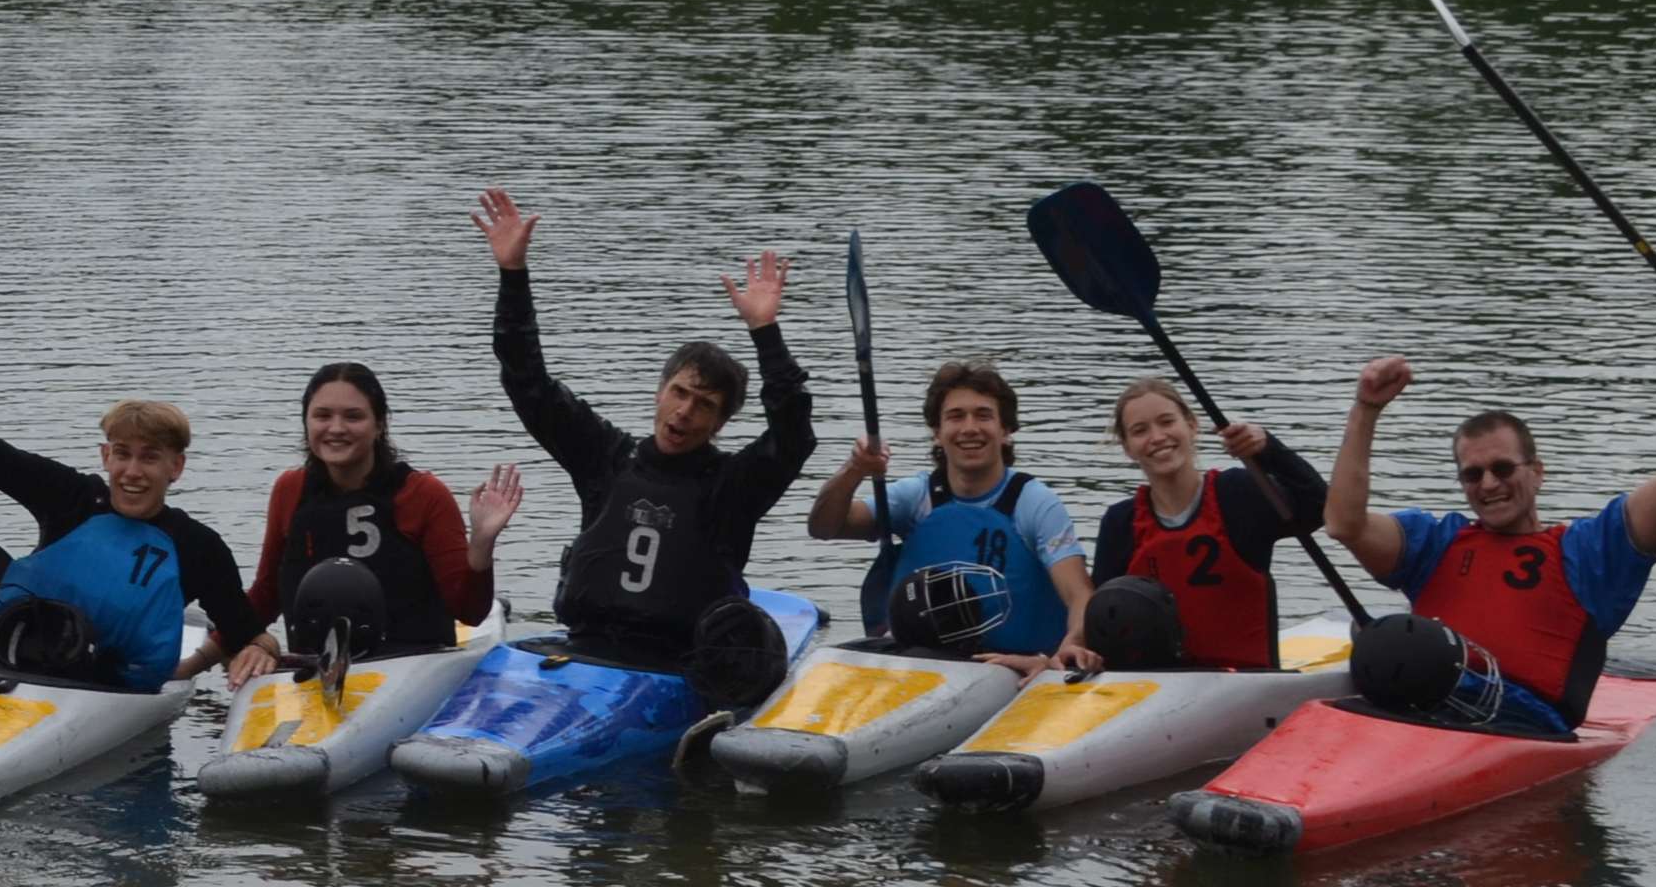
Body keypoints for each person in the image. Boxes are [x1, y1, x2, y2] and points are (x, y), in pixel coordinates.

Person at [1315, 304, 1656, 735]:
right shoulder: (1436, 543)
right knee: (1380, 645)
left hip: (1524, 724)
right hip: (1425, 709)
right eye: (1473, 475)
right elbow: (1345, 524)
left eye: (1503, 468)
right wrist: (1366, 409)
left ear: (1537, 472)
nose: (1489, 484)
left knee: (1402, 644)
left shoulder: (1589, 552)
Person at [476, 185, 817, 683]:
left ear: (720, 424)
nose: (684, 413)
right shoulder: (606, 457)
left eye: (704, 406)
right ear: (660, 392)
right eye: (679, 393)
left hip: (676, 666)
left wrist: (765, 333)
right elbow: (527, 382)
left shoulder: (733, 486)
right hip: (581, 651)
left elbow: (794, 435)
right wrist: (512, 275)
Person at [0, 388, 274, 692]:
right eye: (123, 454)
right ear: (106, 456)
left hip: (115, 699)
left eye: (150, 457)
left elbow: (246, 633)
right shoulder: (71, 497)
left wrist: (260, 650)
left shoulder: (199, 546)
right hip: (17, 673)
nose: (133, 471)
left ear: (177, 466)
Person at [219, 364, 507, 684]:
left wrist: (481, 546)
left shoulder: (424, 494)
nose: (336, 428)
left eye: (353, 417)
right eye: (322, 416)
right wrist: (203, 659)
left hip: (412, 668)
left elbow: (469, 612)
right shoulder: (290, 489)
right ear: (306, 423)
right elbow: (266, 594)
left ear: (379, 425)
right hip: (314, 670)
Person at [803, 358, 1091, 666]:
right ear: (937, 433)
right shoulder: (916, 496)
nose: (970, 428)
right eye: (956, 417)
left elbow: (1080, 595)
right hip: (920, 662)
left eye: (983, 416)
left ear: (1006, 431)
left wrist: (1068, 648)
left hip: (1013, 667)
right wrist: (855, 470)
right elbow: (824, 527)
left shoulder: (1035, 504)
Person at [1055, 380, 1330, 675]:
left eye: (1167, 422)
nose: (1157, 437)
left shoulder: (1240, 493)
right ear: (1128, 449)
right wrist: (1073, 645)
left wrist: (1268, 448)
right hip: (1155, 691)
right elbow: (1101, 618)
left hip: (1246, 687)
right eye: (1140, 430)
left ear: (1191, 425)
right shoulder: (1121, 521)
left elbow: (1321, 507)